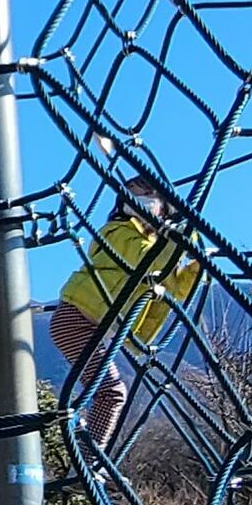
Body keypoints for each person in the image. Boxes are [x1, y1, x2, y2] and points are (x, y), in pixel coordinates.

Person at [48, 176, 204, 445]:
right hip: (74, 320)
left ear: (161, 208)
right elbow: (149, 259)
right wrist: (184, 230)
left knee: (109, 392)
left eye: (146, 196)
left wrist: (196, 266)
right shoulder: (116, 232)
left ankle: (88, 458)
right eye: (130, 195)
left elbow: (175, 289)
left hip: (92, 325)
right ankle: (89, 462)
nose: (138, 201)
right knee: (111, 392)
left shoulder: (160, 247)